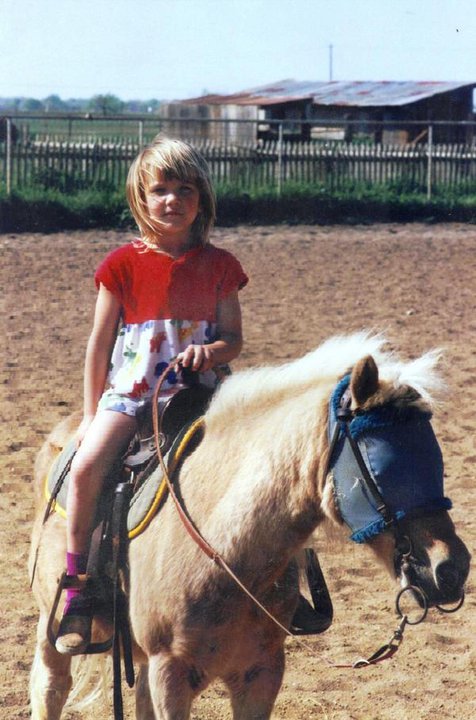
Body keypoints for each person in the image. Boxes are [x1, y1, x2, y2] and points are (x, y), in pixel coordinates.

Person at [55, 137, 248, 655]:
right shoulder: (120, 265)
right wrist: (90, 415)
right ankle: (79, 586)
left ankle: (291, 581)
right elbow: (99, 346)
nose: (172, 200)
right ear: (141, 198)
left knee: (260, 463)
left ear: (201, 200)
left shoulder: (221, 266)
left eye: (185, 190)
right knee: (86, 467)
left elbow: (233, 339)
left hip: (201, 394)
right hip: (133, 394)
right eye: (160, 190)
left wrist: (210, 352)